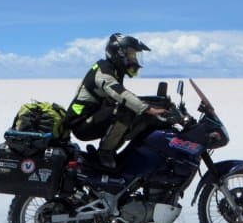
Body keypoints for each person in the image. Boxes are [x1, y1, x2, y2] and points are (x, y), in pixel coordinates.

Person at [66, 33, 167, 168]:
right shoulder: (104, 71)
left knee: (136, 112)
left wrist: (157, 104)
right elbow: (121, 94)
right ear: (119, 53)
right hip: (81, 123)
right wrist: (148, 108)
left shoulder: (114, 71)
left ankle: (122, 153)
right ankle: (105, 153)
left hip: (93, 116)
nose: (134, 59)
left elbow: (124, 96)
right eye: (131, 54)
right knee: (127, 110)